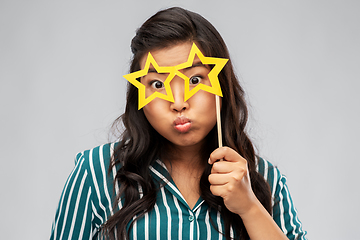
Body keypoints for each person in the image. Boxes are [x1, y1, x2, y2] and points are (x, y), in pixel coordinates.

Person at [50, 7, 307, 240]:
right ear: (139, 94)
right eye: (158, 84)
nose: (178, 102)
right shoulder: (96, 172)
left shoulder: (265, 179)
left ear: (222, 86)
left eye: (195, 80)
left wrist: (250, 208)